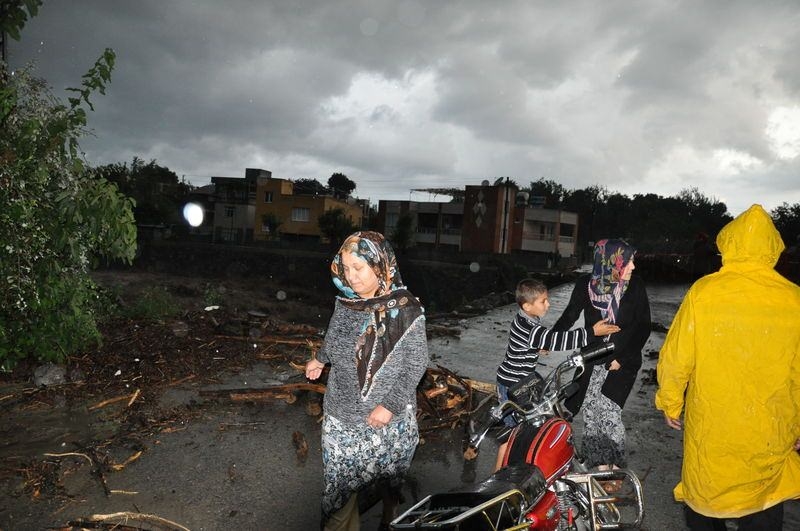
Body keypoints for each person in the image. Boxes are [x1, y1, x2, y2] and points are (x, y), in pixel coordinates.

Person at [655, 204, 800, 530]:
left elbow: (677, 356)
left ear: (729, 243)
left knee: (705, 505)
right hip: (768, 432)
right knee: (763, 507)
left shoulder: (705, 293)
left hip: (713, 431)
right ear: (773, 247)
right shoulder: (795, 300)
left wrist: (671, 401)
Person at [305, 231, 429, 531]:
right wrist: (320, 359)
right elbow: (334, 338)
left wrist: (389, 405)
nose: (352, 277)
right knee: (338, 495)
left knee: (389, 481)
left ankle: (390, 518)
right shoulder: (346, 302)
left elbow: (417, 364)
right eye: (346, 269)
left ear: (379, 265)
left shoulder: (406, 310)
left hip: (386, 421)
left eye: (358, 268)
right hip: (340, 415)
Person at [494, 278, 620, 470]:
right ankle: (498, 477)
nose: (548, 304)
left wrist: (537, 347)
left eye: (547, 299)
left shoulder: (526, 319)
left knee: (531, 424)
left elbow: (538, 340)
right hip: (511, 385)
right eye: (543, 301)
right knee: (511, 435)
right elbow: (556, 340)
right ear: (527, 306)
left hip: (524, 382)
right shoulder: (529, 327)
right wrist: (592, 332)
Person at [552, 239, 651, 475]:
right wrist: (551, 340)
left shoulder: (635, 286)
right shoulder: (586, 285)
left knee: (608, 410)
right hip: (593, 356)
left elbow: (643, 327)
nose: (633, 268)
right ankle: (599, 464)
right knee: (590, 409)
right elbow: (570, 315)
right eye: (628, 263)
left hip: (621, 361)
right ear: (611, 265)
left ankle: (615, 466)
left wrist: (623, 358)